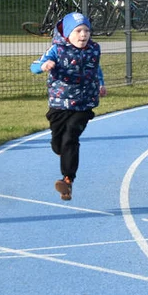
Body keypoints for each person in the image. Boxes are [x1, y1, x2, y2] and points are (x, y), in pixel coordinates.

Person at [29, 12, 106, 201]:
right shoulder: (57, 49)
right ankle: (61, 150)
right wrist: (44, 65)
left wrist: (101, 83)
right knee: (59, 145)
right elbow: (34, 66)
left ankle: (67, 180)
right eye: (78, 30)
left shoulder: (93, 49)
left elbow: (96, 68)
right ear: (67, 34)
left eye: (87, 31)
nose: (83, 35)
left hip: (84, 103)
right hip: (60, 103)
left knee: (71, 136)